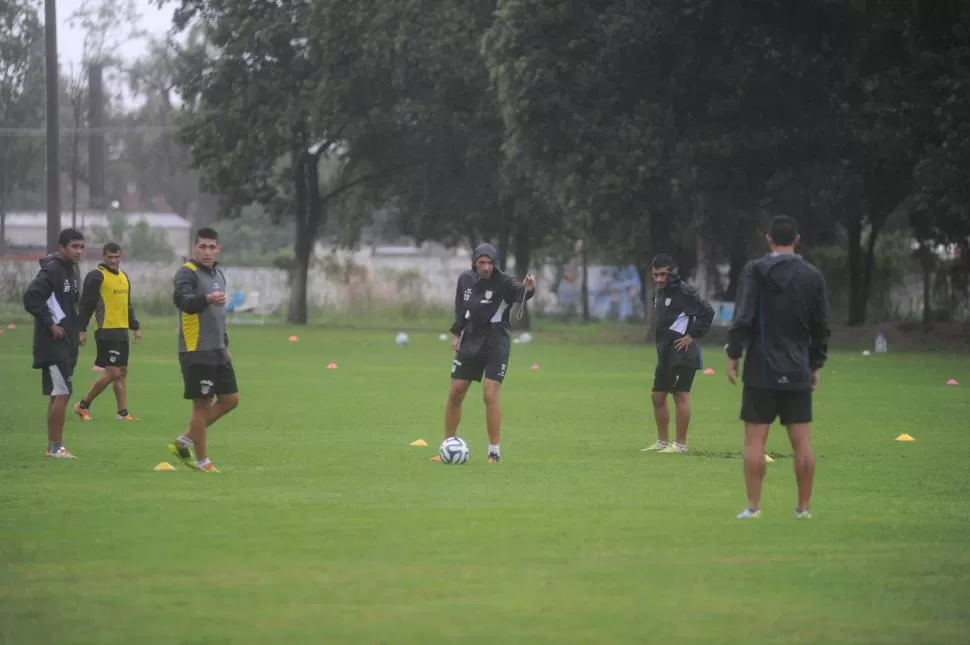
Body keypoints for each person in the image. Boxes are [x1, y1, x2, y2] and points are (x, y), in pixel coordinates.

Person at [726, 215, 830, 519]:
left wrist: (733, 353)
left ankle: (754, 507)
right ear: (796, 239)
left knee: (755, 440)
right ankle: (804, 509)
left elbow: (744, 316)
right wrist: (816, 363)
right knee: (801, 440)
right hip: (797, 367)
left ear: (769, 238)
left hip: (760, 368)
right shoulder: (813, 276)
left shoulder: (755, 271)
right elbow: (821, 326)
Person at [432, 243, 536, 464]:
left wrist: (529, 287)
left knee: (489, 394)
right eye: (482, 263)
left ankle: (494, 453)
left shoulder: (504, 282)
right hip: (470, 340)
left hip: (496, 343)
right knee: (455, 393)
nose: (486, 267)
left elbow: (520, 292)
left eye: (490, 263)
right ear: (475, 262)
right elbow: (461, 309)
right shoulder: (465, 280)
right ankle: (448, 446)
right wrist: (457, 333)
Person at [168, 227, 239, 472]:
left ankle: (184, 440)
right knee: (202, 405)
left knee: (230, 399)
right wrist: (206, 299)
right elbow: (184, 301)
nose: (207, 251)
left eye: (211, 247)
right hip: (196, 349)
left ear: (218, 248)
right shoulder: (186, 274)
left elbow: (219, 316)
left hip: (218, 349)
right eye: (202, 246)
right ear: (194, 247)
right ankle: (202, 462)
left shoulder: (218, 274)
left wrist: (225, 343)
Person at [22, 228, 86, 459]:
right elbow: (31, 298)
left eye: (81, 247)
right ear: (62, 248)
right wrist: (50, 324)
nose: (79, 251)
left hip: (67, 342)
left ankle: (54, 446)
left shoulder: (71, 271)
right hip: (53, 344)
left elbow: (68, 306)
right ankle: (55, 447)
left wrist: (78, 330)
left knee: (59, 393)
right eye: (74, 246)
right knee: (63, 392)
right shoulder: (52, 270)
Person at [642, 253, 715, 454]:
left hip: (682, 353)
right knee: (657, 396)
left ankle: (680, 445)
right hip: (665, 352)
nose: (659, 279)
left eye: (663, 274)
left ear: (672, 272)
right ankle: (662, 442)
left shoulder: (685, 291)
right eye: (656, 274)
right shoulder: (659, 292)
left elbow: (707, 312)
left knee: (680, 396)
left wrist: (691, 335)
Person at [75, 242, 142, 421]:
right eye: (110, 257)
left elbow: (127, 305)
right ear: (103, 256)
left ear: (121, 256)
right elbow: (85, 305)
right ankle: (82, 405)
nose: (113, 260)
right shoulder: (96, 276)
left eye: (117, 257)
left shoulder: (124, 276)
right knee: (112, 372)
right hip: (105, 329)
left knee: (122, 371)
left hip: (121, 330)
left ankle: (122, 413)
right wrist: (81, 330)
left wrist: (135, 327)